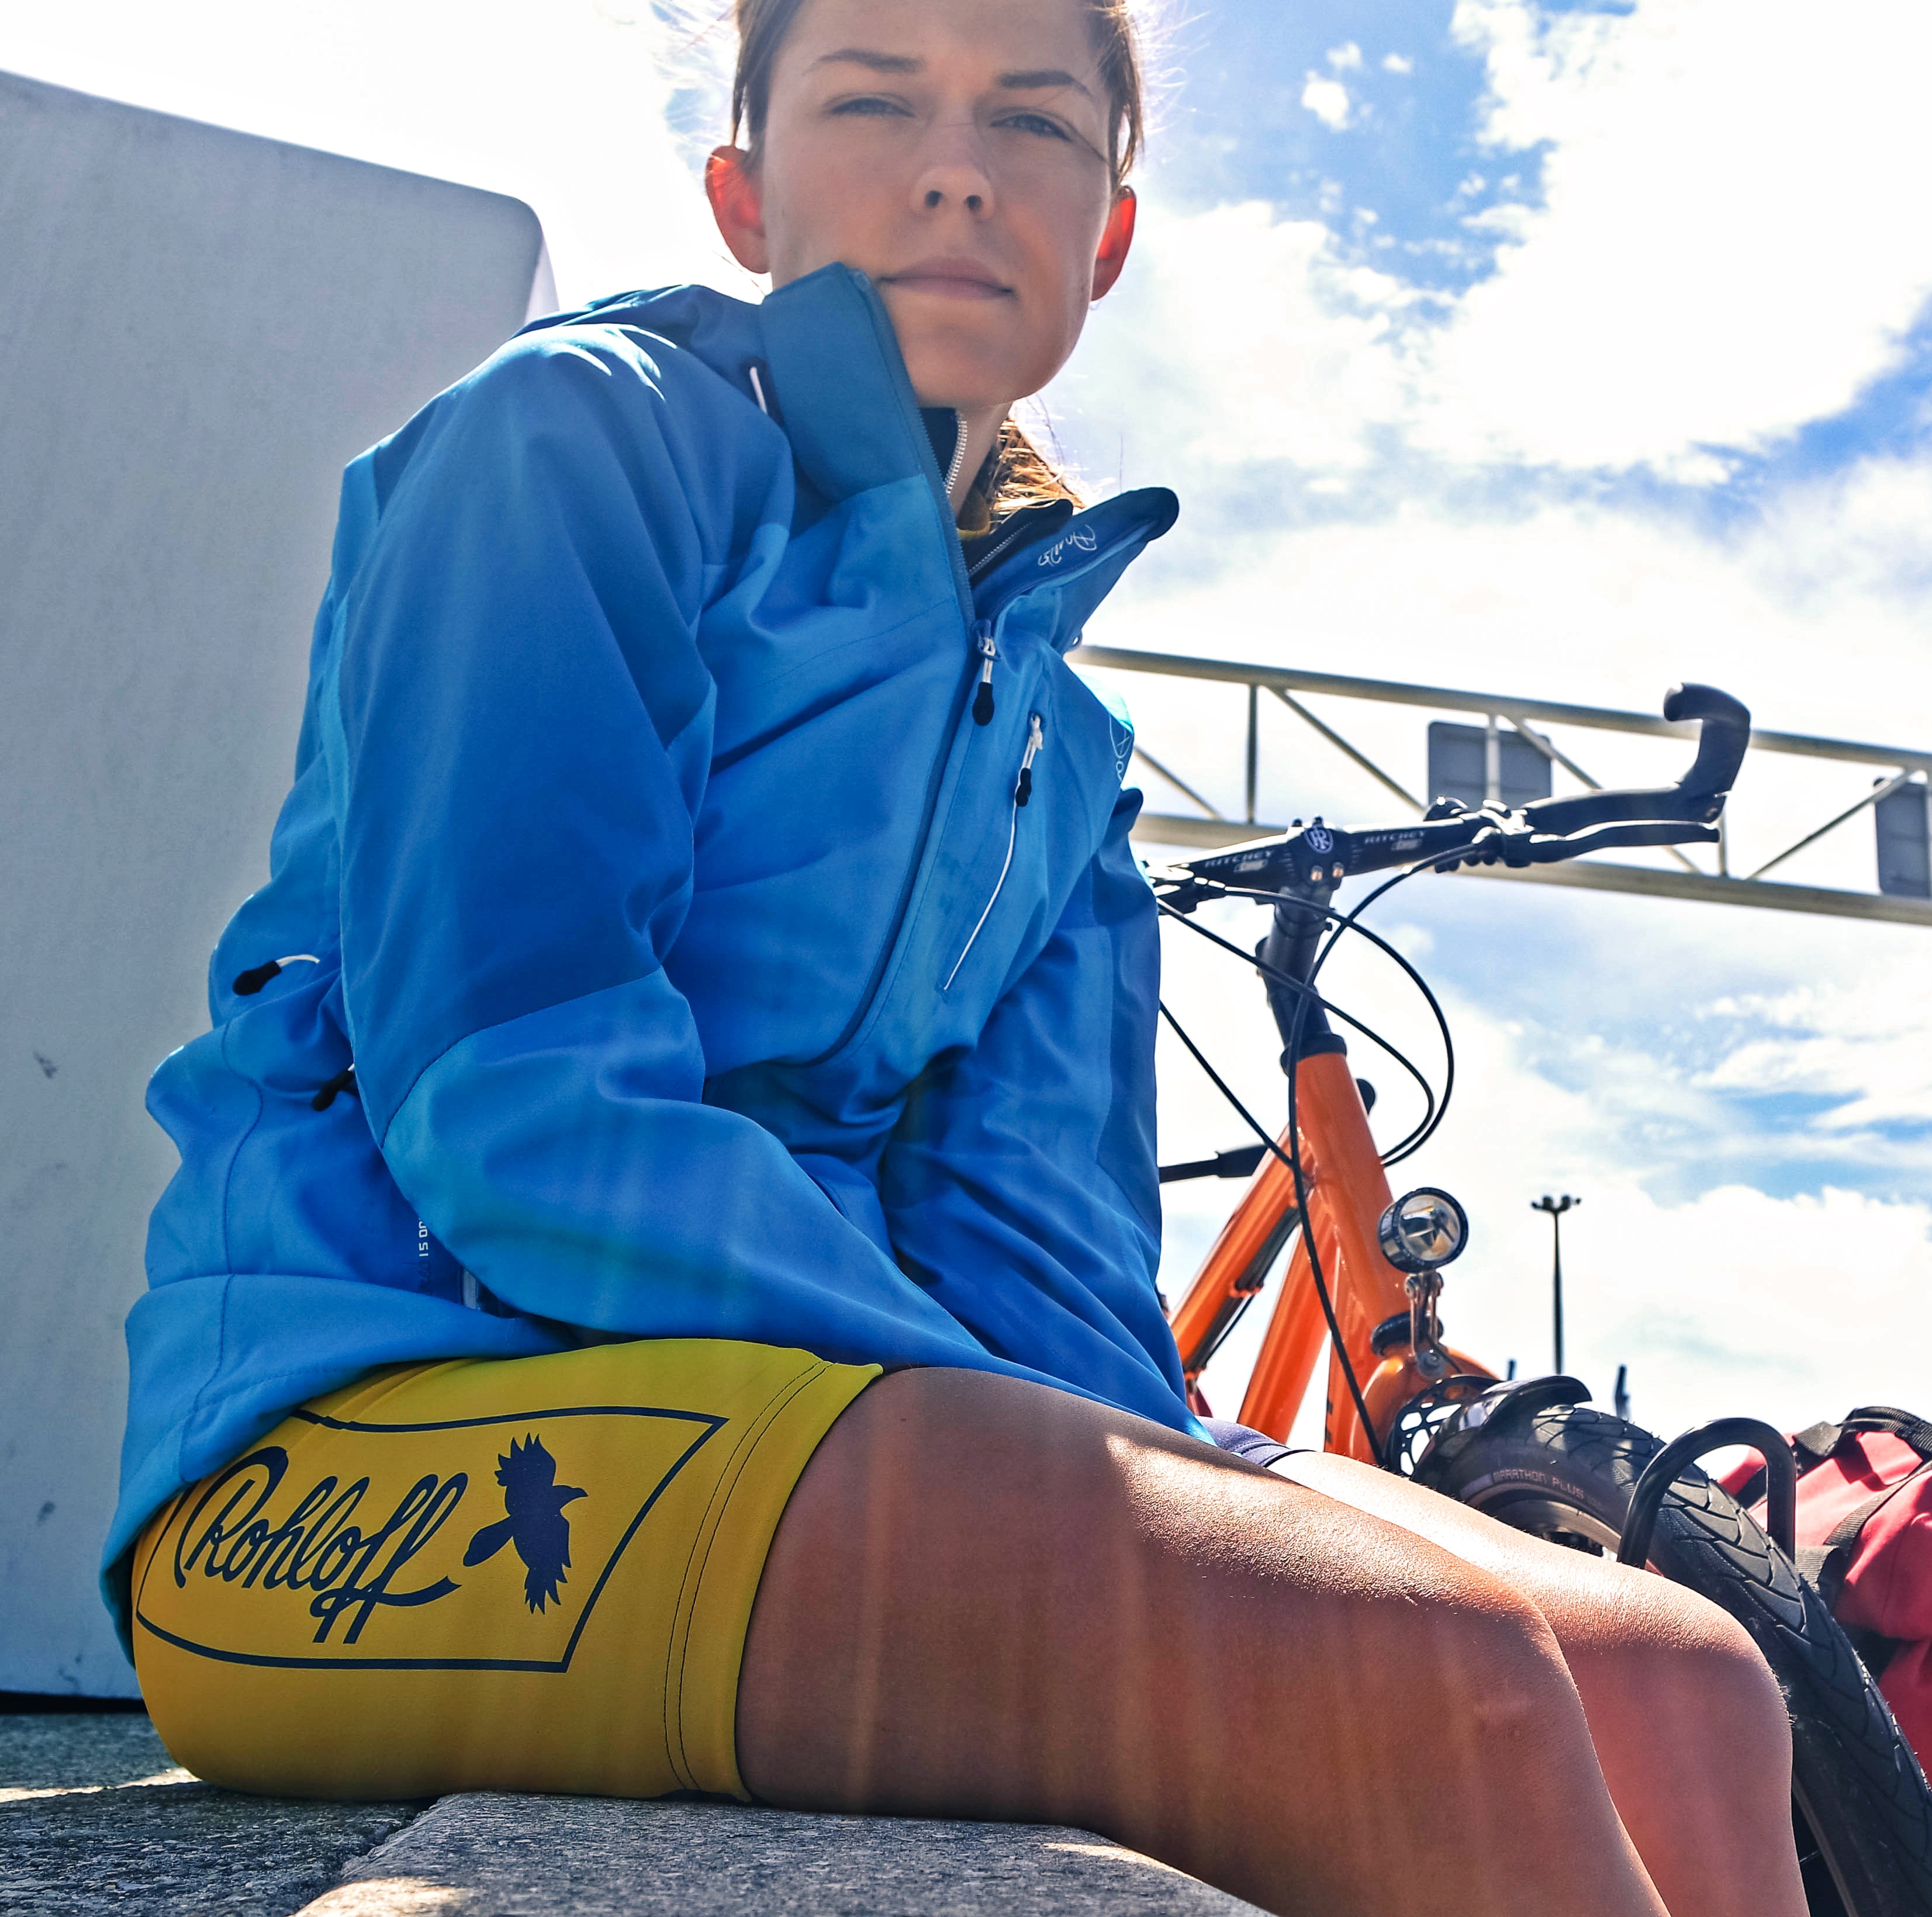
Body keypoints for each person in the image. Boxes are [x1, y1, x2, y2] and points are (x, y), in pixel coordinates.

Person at [101, 4, 1809, 1913]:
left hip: (824, 1432)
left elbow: (1048, 1269)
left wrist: (1165, 1481)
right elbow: (513, 1098)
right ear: (740, 195)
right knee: (1429, 1680)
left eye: (1027, 115)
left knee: (1687, 1682)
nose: (951, 161)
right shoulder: (570, 443)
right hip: (357, 1444)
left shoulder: (1057, 753)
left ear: (1104, 233)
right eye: (872, 97)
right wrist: (1084, 1487)